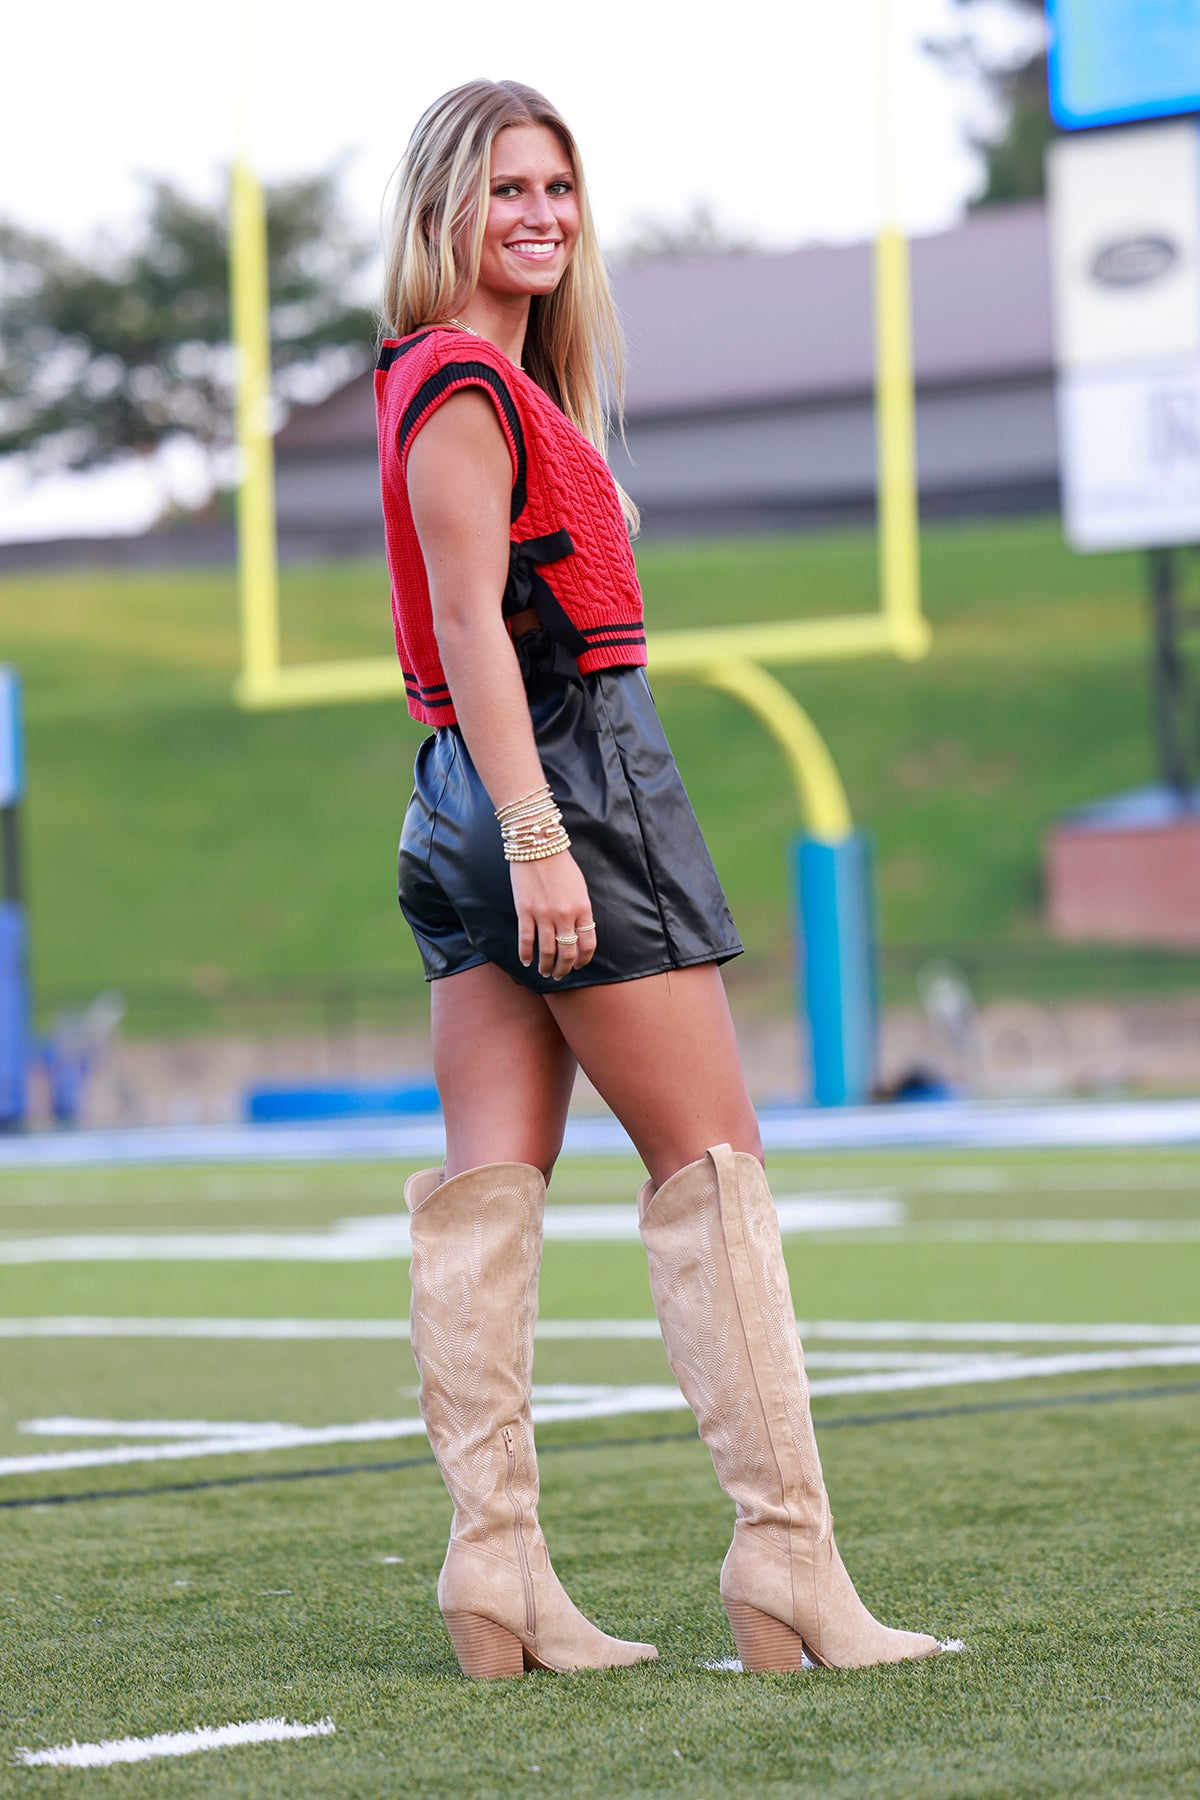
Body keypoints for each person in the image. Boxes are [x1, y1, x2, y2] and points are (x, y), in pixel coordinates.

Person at [377, 77, 942, 1680]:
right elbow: (481, 623)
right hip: (567, 780)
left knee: (490, 1186)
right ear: (444, 212)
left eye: (559, 187)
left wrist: (507, 823)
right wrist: (549, 833)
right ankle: (790, 1568)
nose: (542, 215)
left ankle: (497, 1574)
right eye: (508, 191)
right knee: (712, 1166)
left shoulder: (454, 377)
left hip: (459, 796)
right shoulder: (469, 381)